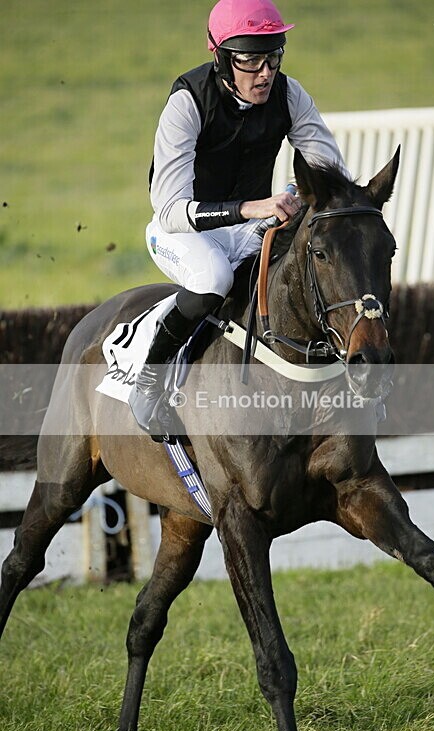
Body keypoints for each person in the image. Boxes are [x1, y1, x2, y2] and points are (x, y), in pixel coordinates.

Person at [129, 0, 350, 436]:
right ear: (221, 59)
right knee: (214, 278)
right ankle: (150, 381)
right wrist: (252, 208)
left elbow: (327, 169)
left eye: (272, 56)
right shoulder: (187, 102)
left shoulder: (290, 93)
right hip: (182, 232)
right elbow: (171, 211)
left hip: (249, 228)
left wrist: (289, 195)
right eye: (250, 60)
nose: (265, 72)